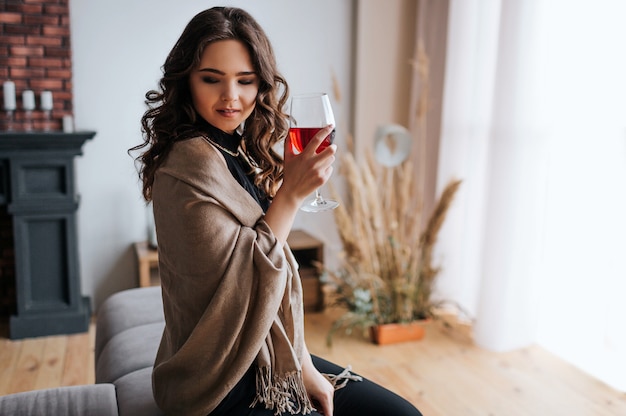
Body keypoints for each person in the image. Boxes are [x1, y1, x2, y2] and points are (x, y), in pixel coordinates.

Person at [131, 6, 423, 416]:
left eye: (245, 81)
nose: (231, 96)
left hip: (271, 354)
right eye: (211, 79)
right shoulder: (188, 165)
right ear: (187, 82)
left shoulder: (237, 148)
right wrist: (290, 195)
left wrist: (302, 365)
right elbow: (237, 291)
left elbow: (271, 268)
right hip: (216, 379)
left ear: (261, 84)